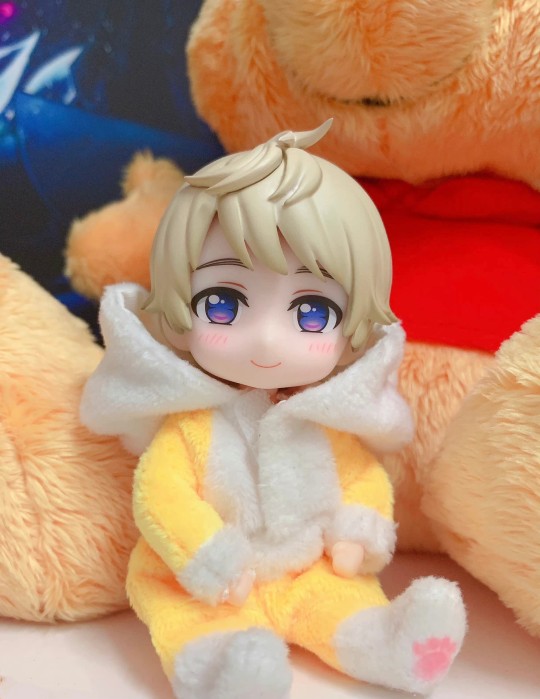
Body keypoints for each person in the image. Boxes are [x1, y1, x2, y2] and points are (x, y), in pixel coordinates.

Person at [81, 120, 467, 698]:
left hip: (307, 567)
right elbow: (163, 494)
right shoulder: (192, 426)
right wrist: (211, 558)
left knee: (339, 601)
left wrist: (357, 529)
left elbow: (359, 477)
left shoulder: (324, 420)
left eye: (311, 312)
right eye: (223, 303)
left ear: (352, 330)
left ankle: (391, 644)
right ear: (180, 311)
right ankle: (222, 671)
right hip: (209, 584)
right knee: (192, 619)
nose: (265, 339)